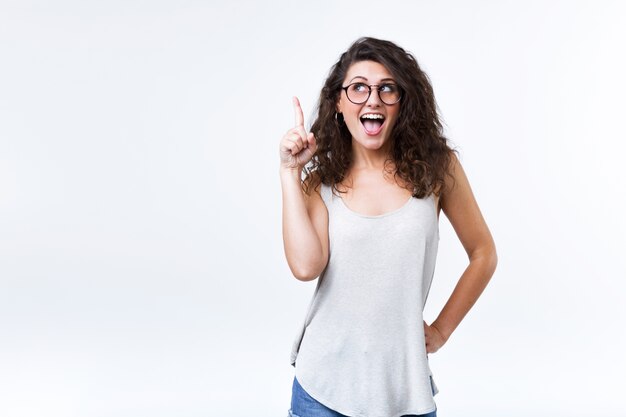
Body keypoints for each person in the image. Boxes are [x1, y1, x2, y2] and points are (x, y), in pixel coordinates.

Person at [279, 37, 497, 417]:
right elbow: (305, 267)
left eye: (386, 88)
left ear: (403, 101)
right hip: (322, 391)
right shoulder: (323, 180)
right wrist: (289, 172)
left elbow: (483, 254)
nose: (372, 99)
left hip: (403, 391)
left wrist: (442, 330)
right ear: (339, 104)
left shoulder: (437, 167)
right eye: (358, 88)